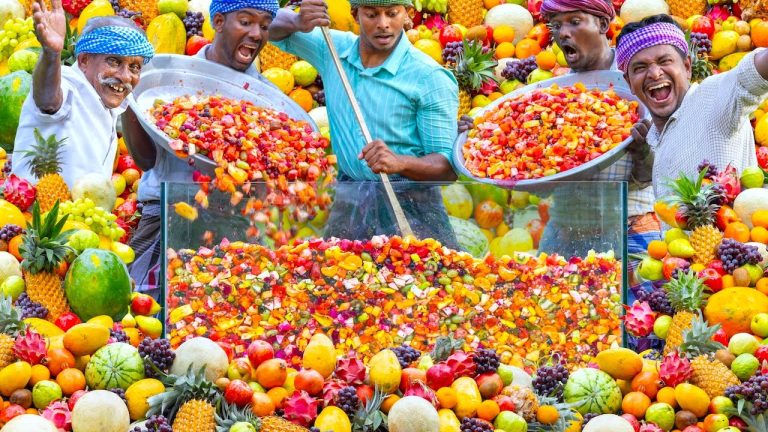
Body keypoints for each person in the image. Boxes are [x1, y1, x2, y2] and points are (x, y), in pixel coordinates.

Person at [121, 0, 281, 297]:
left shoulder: (267, 102)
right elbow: (145, 160)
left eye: (265, 25)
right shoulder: (170, 82)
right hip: (166, 216)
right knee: (146, 313)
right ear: (219, 22)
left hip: (234, 223)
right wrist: (132, 103)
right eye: (246, 22)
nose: (257, 33)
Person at [268, 0, 460, 247]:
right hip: (350, 200)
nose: (383, 24)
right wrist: (297, 21)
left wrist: (399, 162)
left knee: (419, 281)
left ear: (408, 15)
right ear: (355, 15)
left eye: (392, 14)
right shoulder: (333, 49)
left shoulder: (429, 77)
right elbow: (264, 24)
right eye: (371, 14)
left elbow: (447, 168)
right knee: (335, 278)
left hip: (412, 205)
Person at [534, 0, 660, 315]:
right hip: (565, 233)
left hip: (630, 232)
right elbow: (537, 185)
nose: (564, 33)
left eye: (575, 21)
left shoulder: (638, 76)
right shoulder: (550, 93)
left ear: (603, 25)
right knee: (558, 340)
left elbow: (661, 169)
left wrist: (642, 151)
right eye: (557, 25)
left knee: (639, 343)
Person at [617, 14, 768, 199]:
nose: (655, 74)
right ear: (629, 82)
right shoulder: (650, 133)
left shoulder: (712, 97)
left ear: (687, 66)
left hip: (735, 227)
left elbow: (751, 74)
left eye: (665, 61)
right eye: (640, 68)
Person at [11, 0, 153, 188]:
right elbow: (48, 100)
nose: (125, 76)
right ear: (84, 60)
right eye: (114, 61)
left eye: (134, 67)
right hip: (37, 214)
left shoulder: (110, 101)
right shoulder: (69, 85)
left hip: (80, 214)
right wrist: (51, 54)